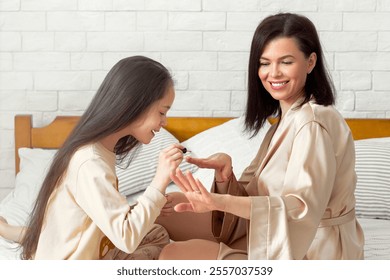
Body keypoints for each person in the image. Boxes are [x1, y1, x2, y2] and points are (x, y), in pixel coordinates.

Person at [157, 12, 364, 260]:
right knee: (159, 208)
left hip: (308, 251)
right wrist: (225, 177)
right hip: (271, 233)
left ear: (310, 62)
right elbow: (256, 197)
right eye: (265, 63)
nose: (273, 73)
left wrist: (219, 202)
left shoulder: (314, 122)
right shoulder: (285, 121)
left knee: (175, 254)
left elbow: (300, 208)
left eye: (286, 62)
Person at [0, 56, 184, 260]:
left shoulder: (98, 149)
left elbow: (95, 211)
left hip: (67, 244)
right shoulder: (90, 162)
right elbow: (127, 238)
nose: (165, 122)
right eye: (162, 112)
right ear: (137, 104)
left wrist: (149, 206)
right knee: (157, 242)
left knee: (156, 232)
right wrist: (159, 182)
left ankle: (13, 232)